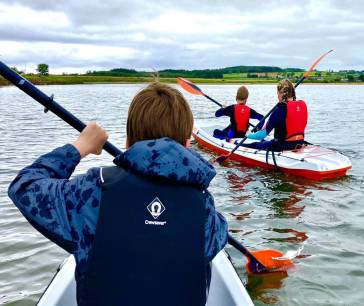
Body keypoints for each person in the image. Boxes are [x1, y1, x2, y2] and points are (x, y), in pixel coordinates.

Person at [8, 82, 228, 306]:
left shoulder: (90, 192)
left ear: (127, 142)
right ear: (187, 144)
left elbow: (25, 186)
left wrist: (80, 146)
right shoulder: (207, 213)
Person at [240, 79, 308, 151]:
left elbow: (262, 135)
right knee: (267, 141)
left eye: (278, 93)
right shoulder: (301, 106)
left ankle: (234, 144)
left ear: (281, 93)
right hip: (299, 143)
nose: (277, 95)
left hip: (283, 146)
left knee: (254, 145)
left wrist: (249, 135)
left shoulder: (279, 110)